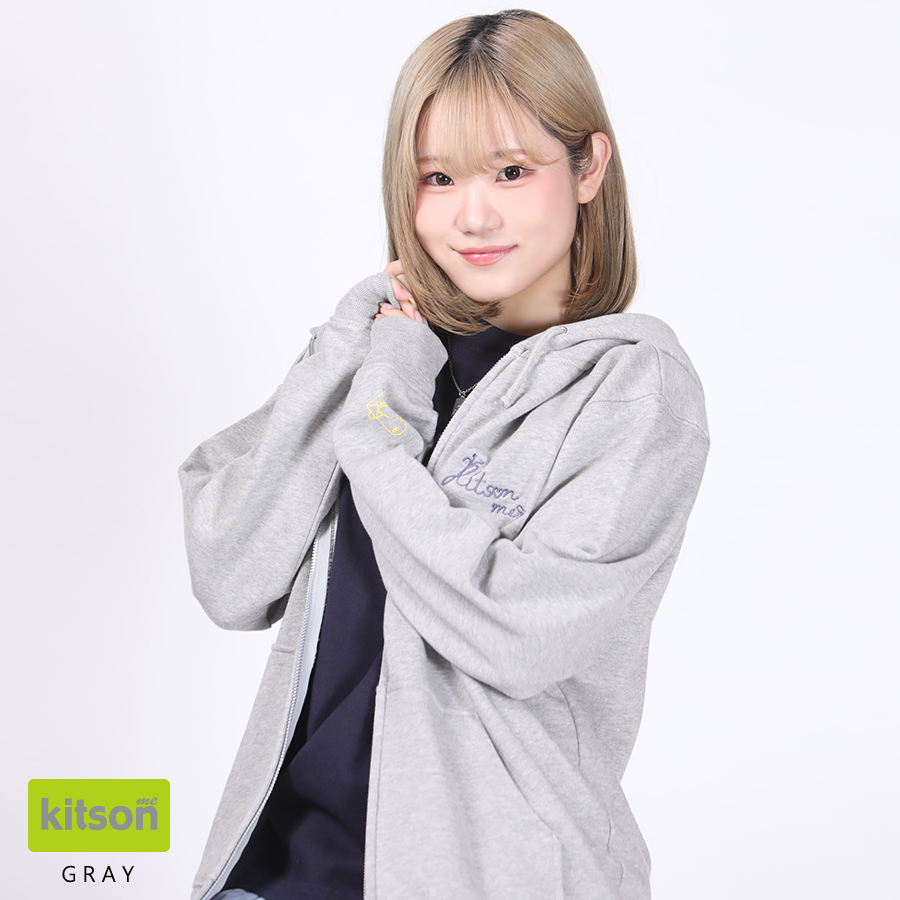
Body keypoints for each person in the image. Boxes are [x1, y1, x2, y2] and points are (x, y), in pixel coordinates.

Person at [179, 10, 709, 900]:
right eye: (437, 177)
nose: (473, 214)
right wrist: (353, 348)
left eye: (512, 170)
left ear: (588, 168)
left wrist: (378, 431)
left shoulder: (629, 390)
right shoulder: (381, 353)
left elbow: (518, 634)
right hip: (280, 874)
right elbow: (230, 575)